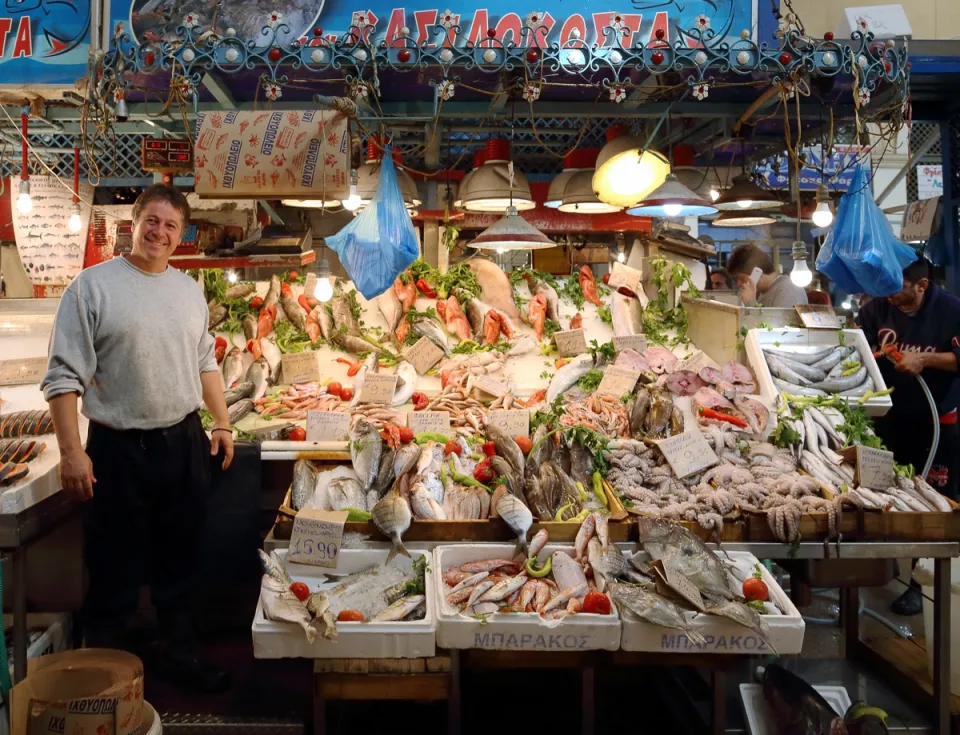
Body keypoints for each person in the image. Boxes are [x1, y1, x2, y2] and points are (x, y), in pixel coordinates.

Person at [41, 185, 234, 691]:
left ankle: (180, 659)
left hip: (182, 441)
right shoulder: (91, 287)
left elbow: (205, 362)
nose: (160, 233)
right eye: (152, 221)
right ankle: (102, 683)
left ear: (182, 233)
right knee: (113, 565)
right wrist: (71, 452)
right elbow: (62, 378)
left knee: (183, 558)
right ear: (134, 222)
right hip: (117, 450)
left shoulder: (189, 291)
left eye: (171, 225)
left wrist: (222, 422)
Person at [857, 256, 960, 615]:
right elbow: (857, 344)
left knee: (933, 503)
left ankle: (922, 583)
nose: (892, 296)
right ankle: (879, 569)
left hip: (936, 423)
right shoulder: (876, 309)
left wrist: (925, 361)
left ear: (922, 285)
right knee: (881, 493)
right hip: (887, 419)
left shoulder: (950, 309)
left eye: (900, 288)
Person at [726, 243, 809, 308]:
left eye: (741, 278)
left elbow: (778, 328)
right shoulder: (762, 293)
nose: (739, 283)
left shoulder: (788, 289)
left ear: (757, 272)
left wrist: (751, 303)